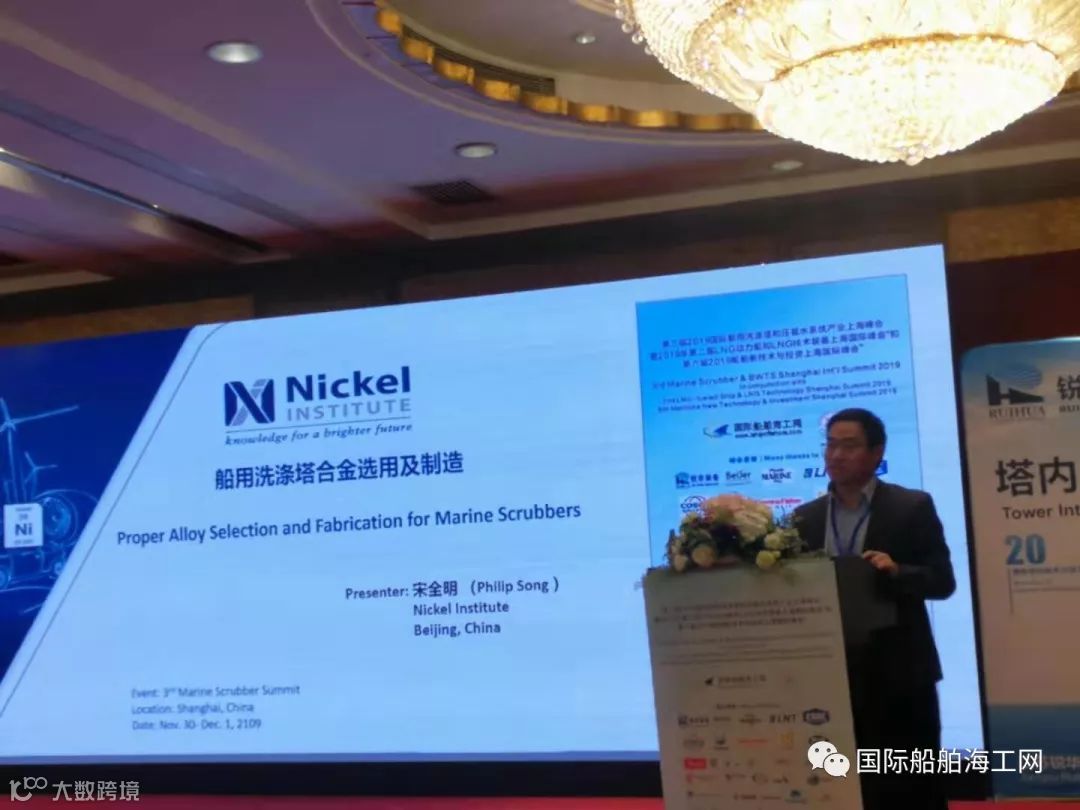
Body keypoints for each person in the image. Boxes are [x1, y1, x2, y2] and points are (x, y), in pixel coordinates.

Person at [793, 408, 955, 810]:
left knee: (910, 786)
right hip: (831, 675)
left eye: (849, 445)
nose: (836, 455)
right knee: (841, 787)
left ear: (877, 451)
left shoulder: (910, 506)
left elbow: (942, 581)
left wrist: (898, 571)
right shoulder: (804, 518)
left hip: (899, 673)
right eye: (831, 445)